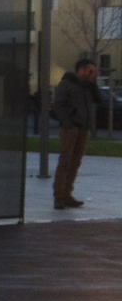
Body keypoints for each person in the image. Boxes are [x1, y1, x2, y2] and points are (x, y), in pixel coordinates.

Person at [51, 58, 99, 209]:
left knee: (75, 162)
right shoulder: (67, 84)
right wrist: (67, 122)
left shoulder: (88, 86)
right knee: (65, 161)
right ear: (82, 69)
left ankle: (67, 194)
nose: (92, 74)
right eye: (90, 71)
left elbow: (99, 99)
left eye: (93, 71)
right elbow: (58, 105)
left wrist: (93, 83)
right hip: (70, 128)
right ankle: (59, 196)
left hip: (83, 128)